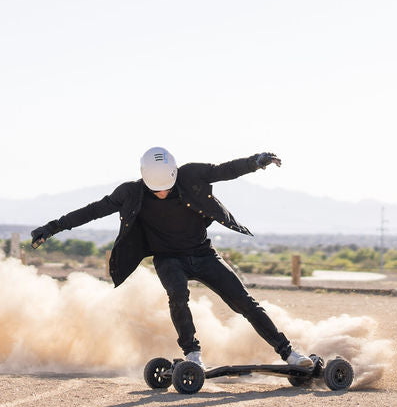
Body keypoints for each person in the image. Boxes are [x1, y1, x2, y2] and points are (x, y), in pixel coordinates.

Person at [31, 147, 313, 370]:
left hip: (203, 253)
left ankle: (288, 353)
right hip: (168, 259)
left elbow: (225, 170)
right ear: (145, 178)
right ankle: (192, 354)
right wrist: (52, 227)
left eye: (166, 186)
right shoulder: (130, 193)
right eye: (156, 189)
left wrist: (255, 162)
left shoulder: (191, 175)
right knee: (177, 296)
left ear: (175, 173)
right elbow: (92, 210)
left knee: (244, 302)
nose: (163, 192)